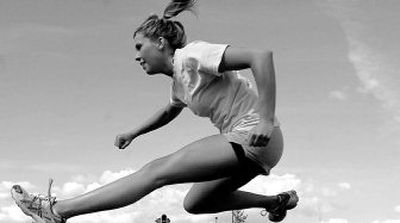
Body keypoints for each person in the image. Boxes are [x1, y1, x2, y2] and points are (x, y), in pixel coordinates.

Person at [11, 0, 299, 222]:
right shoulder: (179, 84)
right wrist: (134, 133)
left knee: (155, 171)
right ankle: (275, 202)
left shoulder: (192, 55)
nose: (136, 56)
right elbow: (169, 112)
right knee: (196, 203)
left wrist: (264, 117)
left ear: (160, 43)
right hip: (256, 144)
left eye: (139, 46)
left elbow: (260, 57)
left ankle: (57, 210)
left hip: (256, 132)